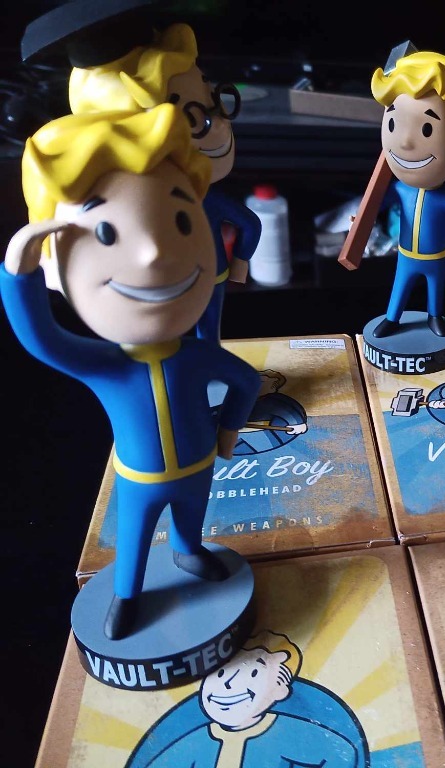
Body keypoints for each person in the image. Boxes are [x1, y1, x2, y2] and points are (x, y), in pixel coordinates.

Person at [1, 106, 261, 639]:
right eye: (107, 232)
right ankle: (127, 592)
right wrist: (18, 272)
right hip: (139, 478)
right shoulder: (105, 365)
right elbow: (41, 340)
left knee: (191, 522)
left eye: (181, 221)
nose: (152, 253)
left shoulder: (197, 355)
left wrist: (229, 432)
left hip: (200, 466)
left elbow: (247, 381)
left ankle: (189, 552)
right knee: (135, 540)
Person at [69, 22, 261, 344]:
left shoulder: (203, 198)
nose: (218, 126)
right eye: (194, 118)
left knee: (205, 338)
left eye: (212, 102)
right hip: (147, 289)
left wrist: (240, 264)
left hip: (205, 276)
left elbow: (250, 223)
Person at [127, 630, 369, 767]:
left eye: (252, 674)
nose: (228, 685)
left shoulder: (291, 732)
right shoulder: (198, 741)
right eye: (220, 674)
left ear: (280, 689)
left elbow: (343, 754)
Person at [369, 50, 445, 339]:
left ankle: (435, 317)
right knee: (399, 286)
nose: (406, 142)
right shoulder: (399, 189)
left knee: (436, 288)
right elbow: (378, 204)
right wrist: (364, 220)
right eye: (393, 123)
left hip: (437, 256)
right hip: (406, 254)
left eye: (427, 128)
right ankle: (392, 318)